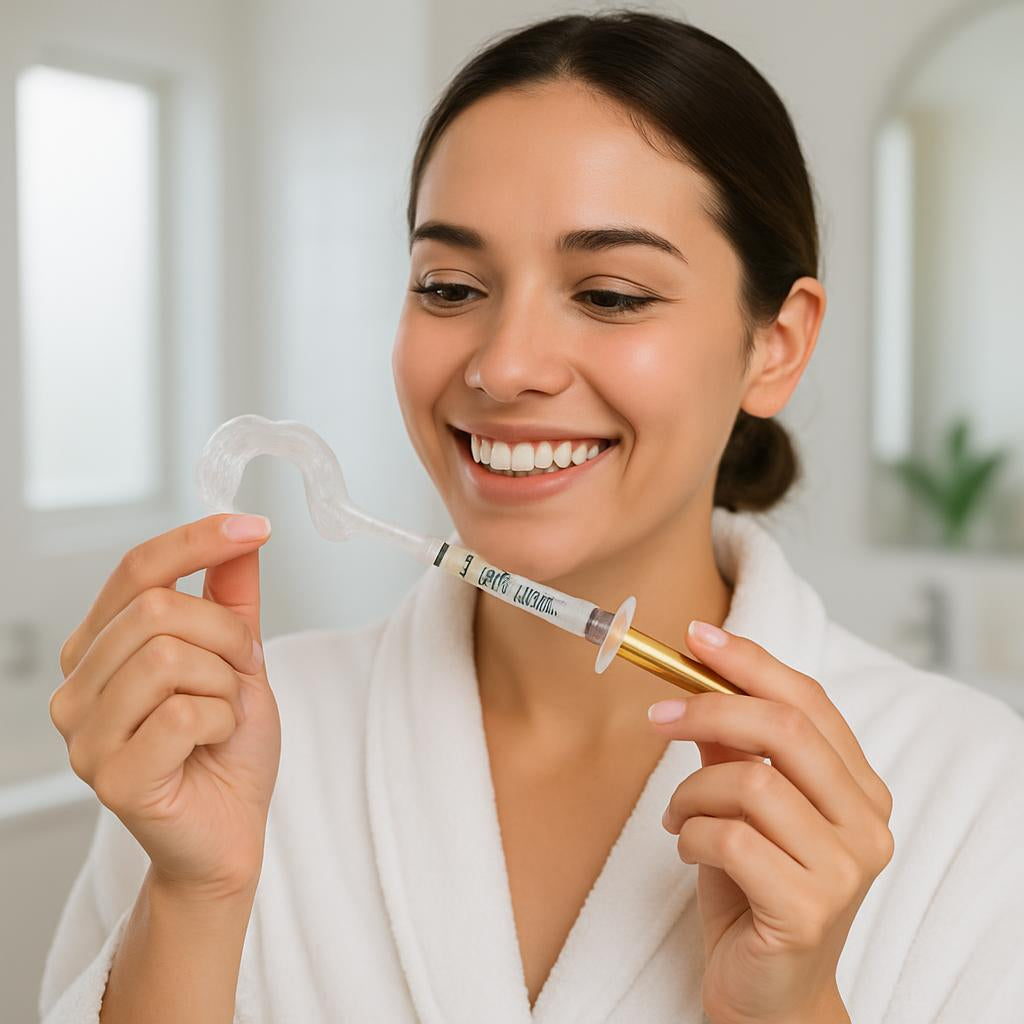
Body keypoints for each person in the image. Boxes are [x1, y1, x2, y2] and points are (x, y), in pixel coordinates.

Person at [39, 11, 1024, 1024]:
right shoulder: (228, 740)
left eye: (606, 293)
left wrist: (793, 1006)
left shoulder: (967, 788)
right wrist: (194, 897)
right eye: (449, 286)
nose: (503, 365)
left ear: (775, 343)